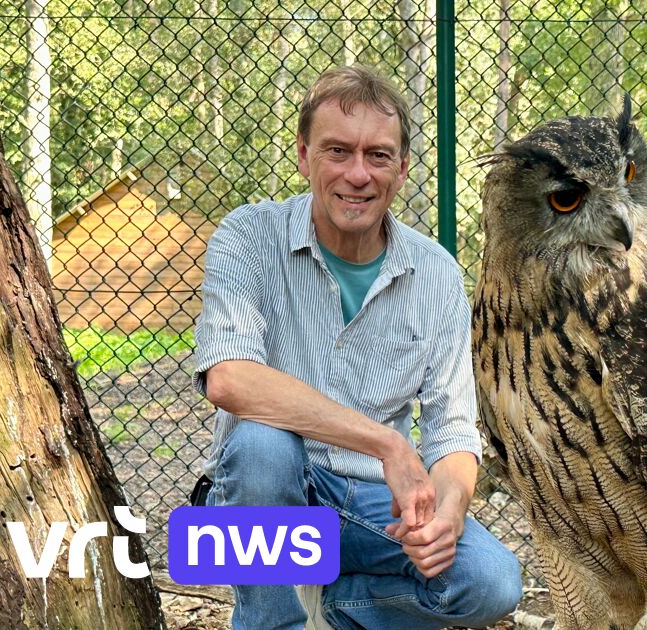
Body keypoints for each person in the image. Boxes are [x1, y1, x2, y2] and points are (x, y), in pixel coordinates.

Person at [192, 65, 522, 630]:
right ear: (303, 155)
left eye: (378, 155)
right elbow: (228, 379)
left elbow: (452, 432)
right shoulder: (248, 235)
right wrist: (388, 443)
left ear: (403, 168)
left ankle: (334, 606)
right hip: (266, 496)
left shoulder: (437, 274)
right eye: (338, 151)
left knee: (492, 582)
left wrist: (446, 511)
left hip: (372, 508)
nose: (358, 174)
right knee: (262, 445)